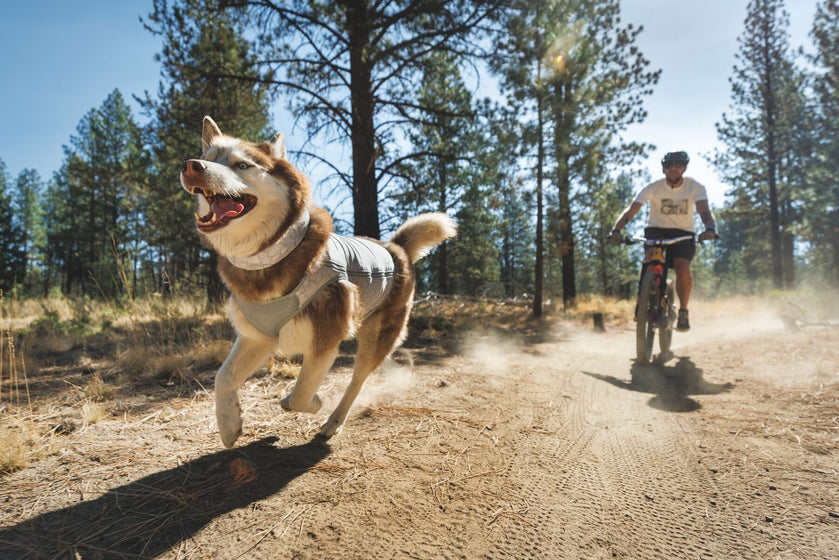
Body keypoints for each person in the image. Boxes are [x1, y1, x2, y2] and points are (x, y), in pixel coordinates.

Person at [609, 151, 717, 332]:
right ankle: (642, 304)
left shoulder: (695, 187)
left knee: (682, 266)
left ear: (684, 167)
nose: (673, 168)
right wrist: (616, 230)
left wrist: (710, 227)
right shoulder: (653, 188)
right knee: (649, 262)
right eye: (669, 165)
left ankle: (683, 311)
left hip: (683, 233)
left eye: (678, 165)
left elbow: (704, 210)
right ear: (663, 168)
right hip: (656, 230)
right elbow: (631, 211)